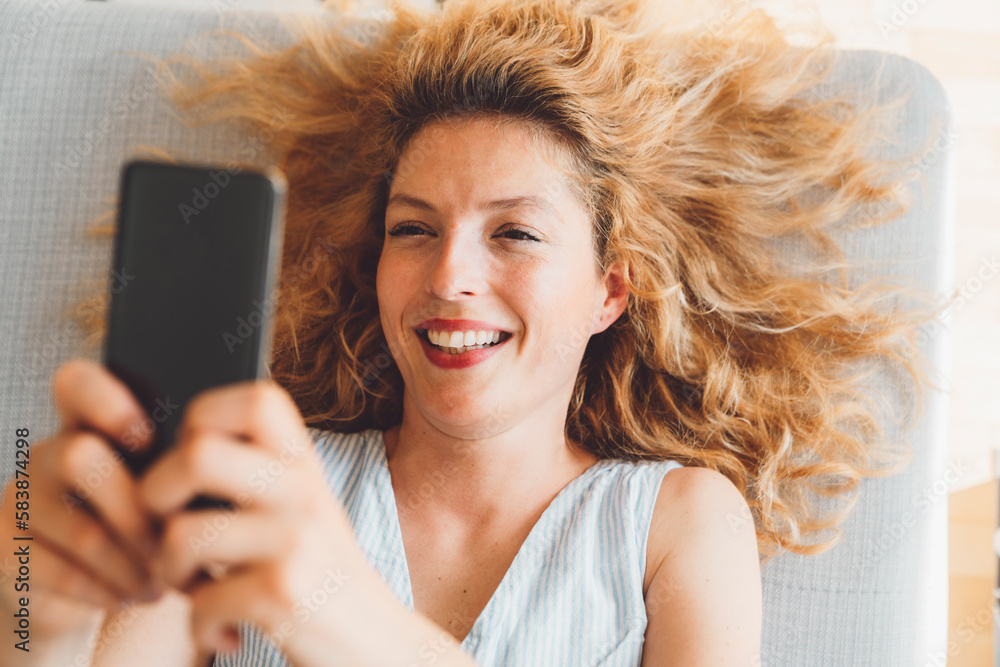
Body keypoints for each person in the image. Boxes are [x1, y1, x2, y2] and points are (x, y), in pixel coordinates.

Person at [0, 0, 938, 664]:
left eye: (515, 233)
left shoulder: (676, 522)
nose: (449, 276)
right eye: (413, 229)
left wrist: (349, 618)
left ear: (610, 290)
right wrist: (37, 619)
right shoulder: (258, 476)